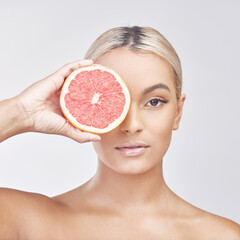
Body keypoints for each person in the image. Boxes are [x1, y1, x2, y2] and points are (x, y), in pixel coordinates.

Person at [0, 26, 239, 239]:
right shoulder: (24, 220)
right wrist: (21, 111)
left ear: (177, 112)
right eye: (110, 101)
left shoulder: (222, 235)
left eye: (154, 102)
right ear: (83, 108)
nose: (132, 124)